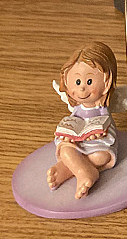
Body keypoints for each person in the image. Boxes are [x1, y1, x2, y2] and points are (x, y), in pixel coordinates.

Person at [47, 42, 119, 199]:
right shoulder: (77, 109)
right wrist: (68, 134)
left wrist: (98, 133)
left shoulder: (102, 110)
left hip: (97, 144)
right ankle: (83, 171)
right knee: (65, 150)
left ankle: (70, 168)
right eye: (78, 82)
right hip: (77, 143)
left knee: (101, 156)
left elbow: (108, 128)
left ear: (106, 82)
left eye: (89, 82)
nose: (82, 89)